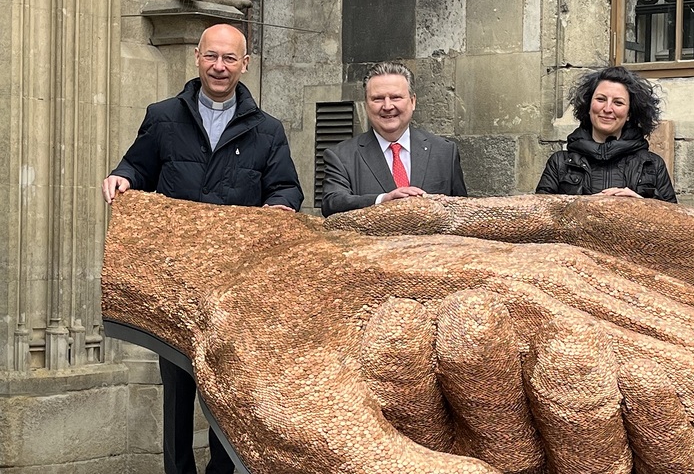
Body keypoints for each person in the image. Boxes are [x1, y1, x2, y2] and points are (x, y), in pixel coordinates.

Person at [102, 23, 303, 474]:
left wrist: (281, 207)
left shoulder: (268, 130)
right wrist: (122, 177)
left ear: (245, 64)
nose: (219, 66)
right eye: (212, 56)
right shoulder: (162, 116)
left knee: (225, 391)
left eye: (230, 58)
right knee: (176, 392)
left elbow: (288, 189)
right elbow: (136, 165)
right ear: (197, 57)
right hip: (174, 283)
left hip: (233, 290)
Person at [321, 61, 467, 216]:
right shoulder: (341, 156)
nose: (387, 106)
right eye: (378, 99)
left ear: (412, 102)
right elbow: (332, 203)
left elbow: (463, 212)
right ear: (366, 105)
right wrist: (382, 201)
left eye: (396, 97)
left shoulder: (444, 152)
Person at [535, 66, 677, 202]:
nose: (608, 108)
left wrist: (641, 206)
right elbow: (540, 219)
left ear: (629, 113)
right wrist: (583, 207)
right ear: (589, 106)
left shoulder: (652, 165)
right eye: (601, 99)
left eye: (618, 102)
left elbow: (675, 221)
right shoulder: (560, 163)